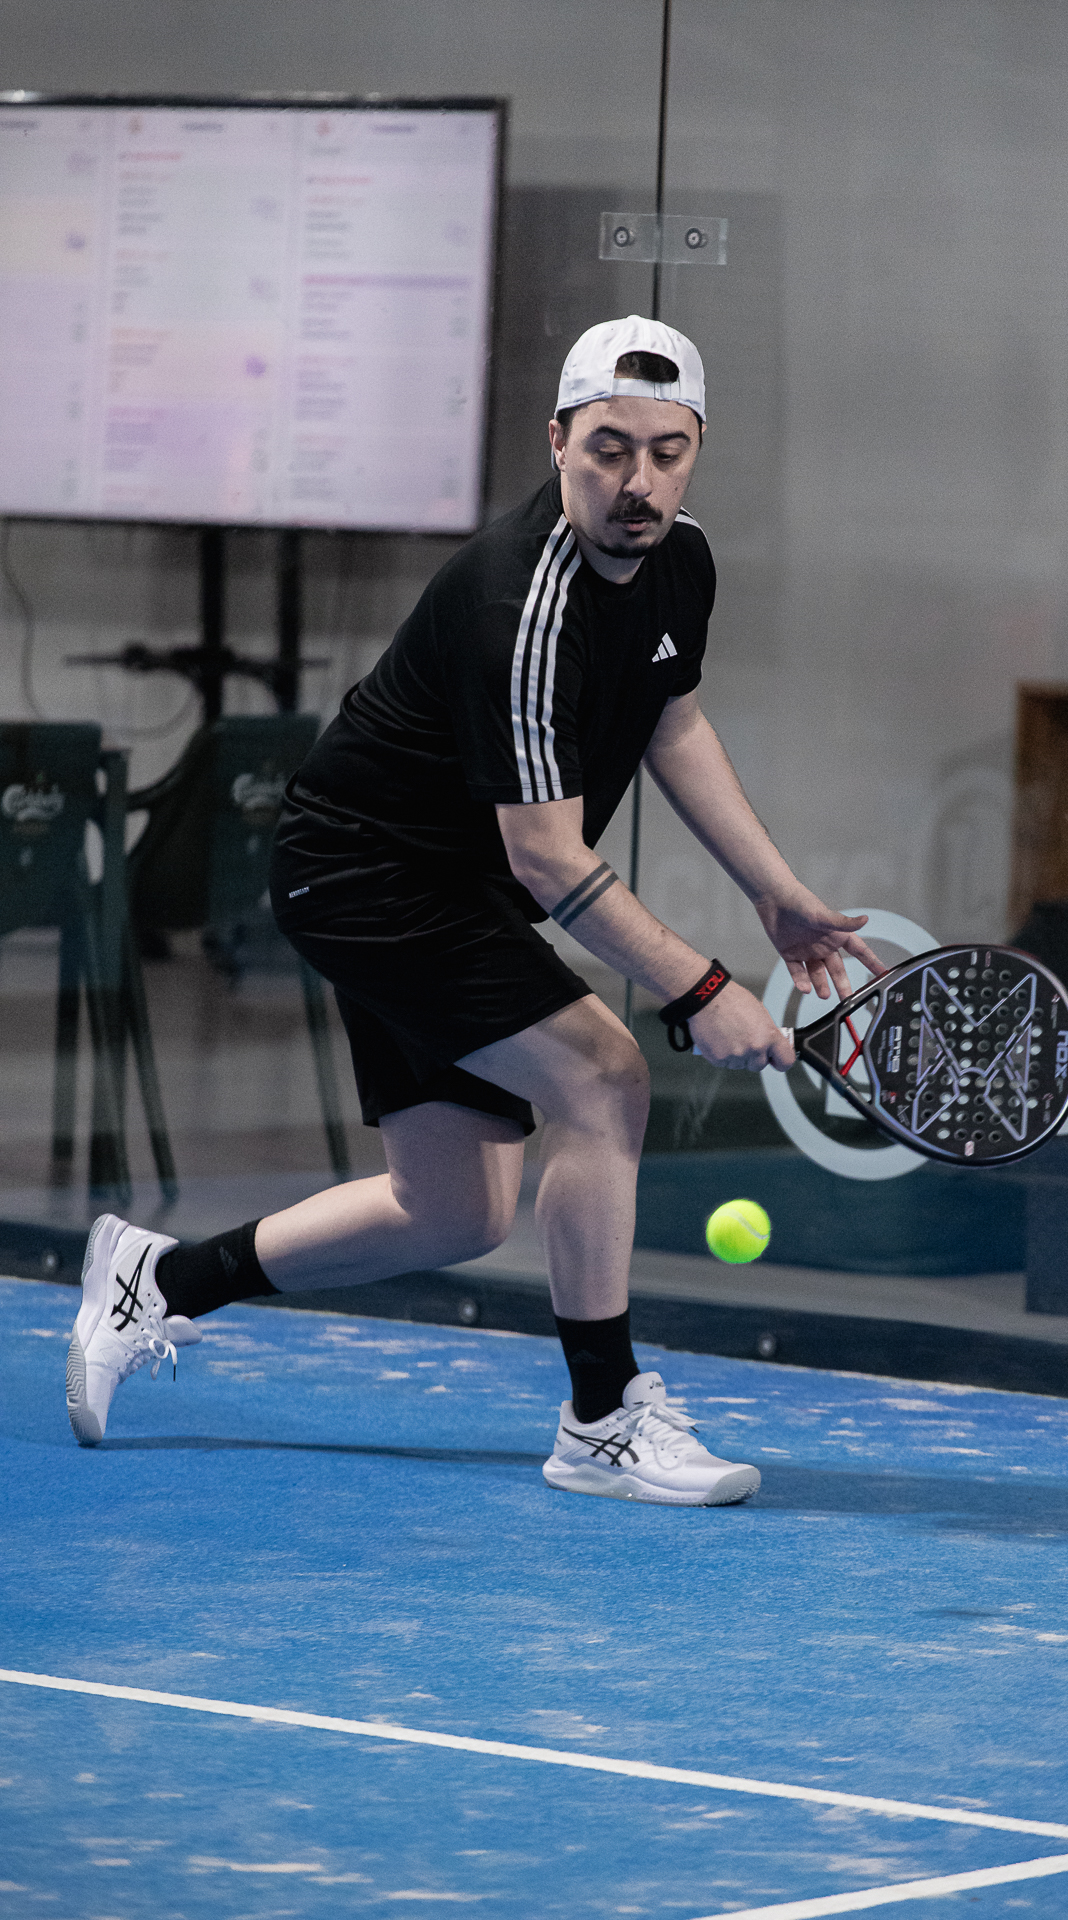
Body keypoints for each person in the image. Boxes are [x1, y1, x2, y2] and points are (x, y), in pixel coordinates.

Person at [65, 314, 881, 1506]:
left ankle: (161, 1281)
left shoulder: (681, 561)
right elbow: (546, 858)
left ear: (696, 450)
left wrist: (776, 896)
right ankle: (600, 1420)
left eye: (665, 452)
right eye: (608, 449)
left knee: (452, 1211)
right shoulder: (519, 602)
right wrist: (701, 989)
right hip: (366, 875)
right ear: (557, 443)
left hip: (447, 885)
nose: (637, 483)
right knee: (604, 1078)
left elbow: (671, 720)